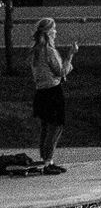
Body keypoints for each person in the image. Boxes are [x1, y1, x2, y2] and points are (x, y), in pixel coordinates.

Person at [30, 18, 77, 174]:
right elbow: (61, 72)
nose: (56, 32)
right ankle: (48, 162)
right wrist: (70, 55)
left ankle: (45, 160)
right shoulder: (49, 51)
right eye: (54, 29)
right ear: (48, 32)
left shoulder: (36, 50)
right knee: (55, 127)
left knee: (46, 127)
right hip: (52, 92)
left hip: (41, 93)